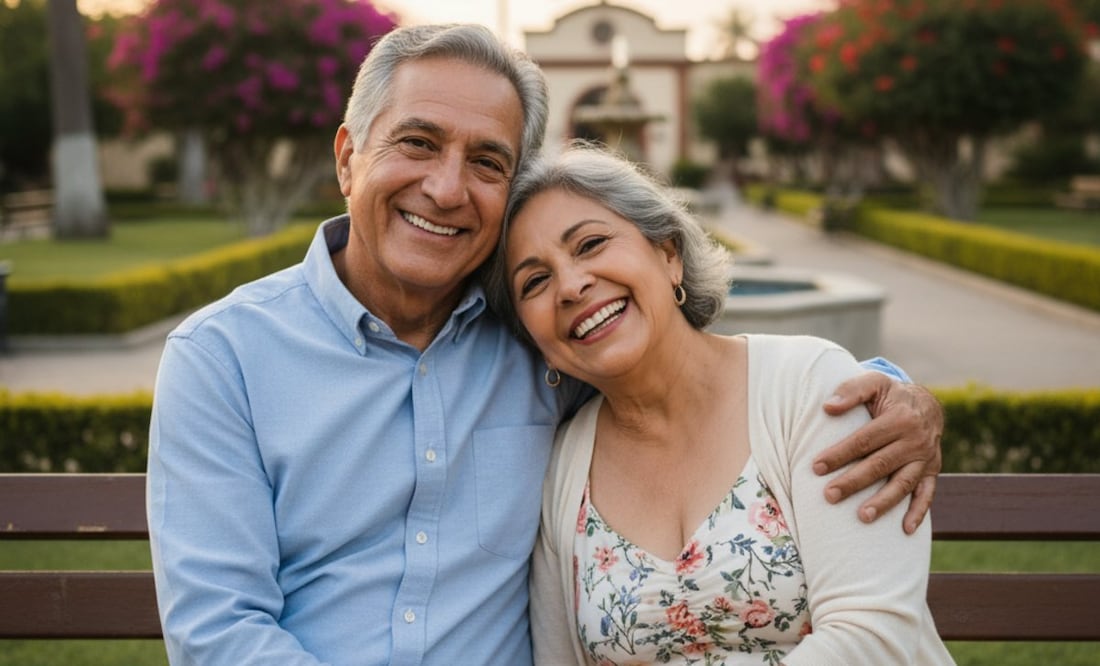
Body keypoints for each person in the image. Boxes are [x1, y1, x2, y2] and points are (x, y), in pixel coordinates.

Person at [146, 24, 943, 665]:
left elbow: (696, 375)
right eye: (417, 143)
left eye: (486, 161)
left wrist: (884, 390)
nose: (448, 188)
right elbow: (220, 633)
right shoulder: (222, 360)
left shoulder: (540, 347)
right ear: (349, 158)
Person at [485, 143, 954, 664]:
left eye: (591, 244)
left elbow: (873, 638)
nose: (571, 286)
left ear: (668, 254)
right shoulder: (565, 469)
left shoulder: (811, 391)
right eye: (535, 281)